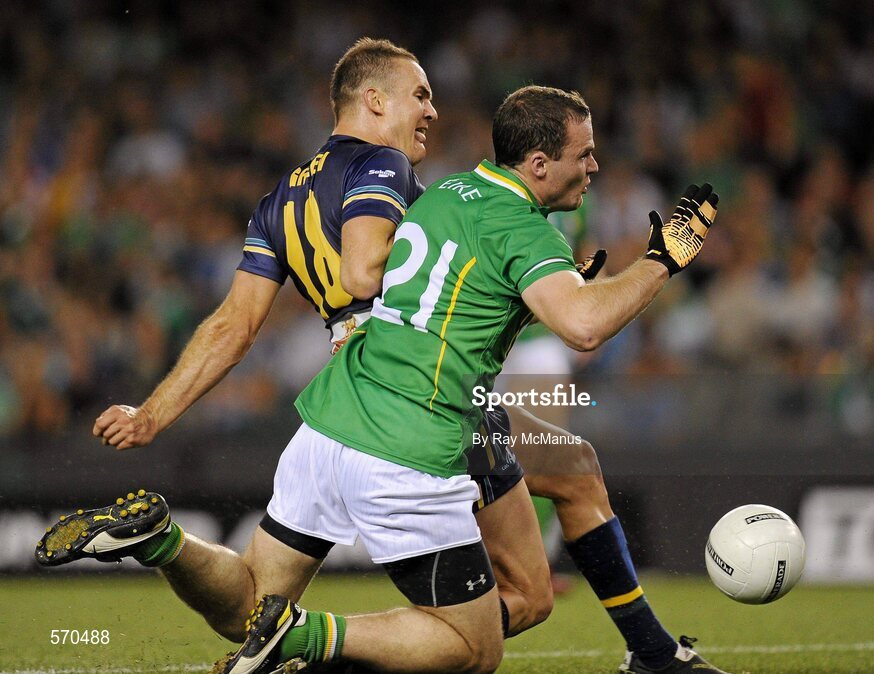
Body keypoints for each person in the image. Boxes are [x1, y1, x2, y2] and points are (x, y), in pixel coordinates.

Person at [35, 40, 722, 673]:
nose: (432, 109)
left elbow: (233, 325)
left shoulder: (290, 197)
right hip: (420, 408)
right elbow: (370, 270)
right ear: (374, 101)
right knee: (498, 623)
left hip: (341, 407)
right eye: (420, 94)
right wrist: (650, 262)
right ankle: (310, 640)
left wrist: (152, 414)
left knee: (250, 602)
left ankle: (163, 543)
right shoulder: (383, 165)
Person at [209, 85, 724, 673]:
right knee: (476, 650)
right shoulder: (523, 228)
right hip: (419, 426)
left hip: (384, 399)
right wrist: (663, 259)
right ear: (538, 165)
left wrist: (538, 292)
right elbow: (583, 328)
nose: (594, 166)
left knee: (561, 510)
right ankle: (306, 642)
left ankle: (653, 654)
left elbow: (460, 286)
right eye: (583, 154)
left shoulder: (450, 190)